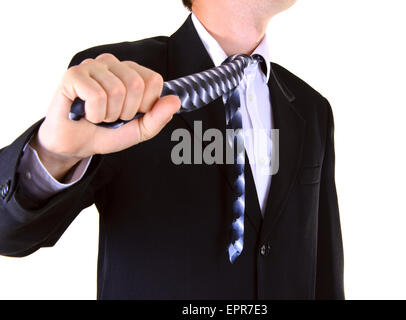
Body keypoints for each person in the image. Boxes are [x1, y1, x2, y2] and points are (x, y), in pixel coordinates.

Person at [0, 0, 344, 299]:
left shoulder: (312, 109)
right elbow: (8, 234)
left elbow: (324, 272)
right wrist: (53, 156)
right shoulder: (118, 84)